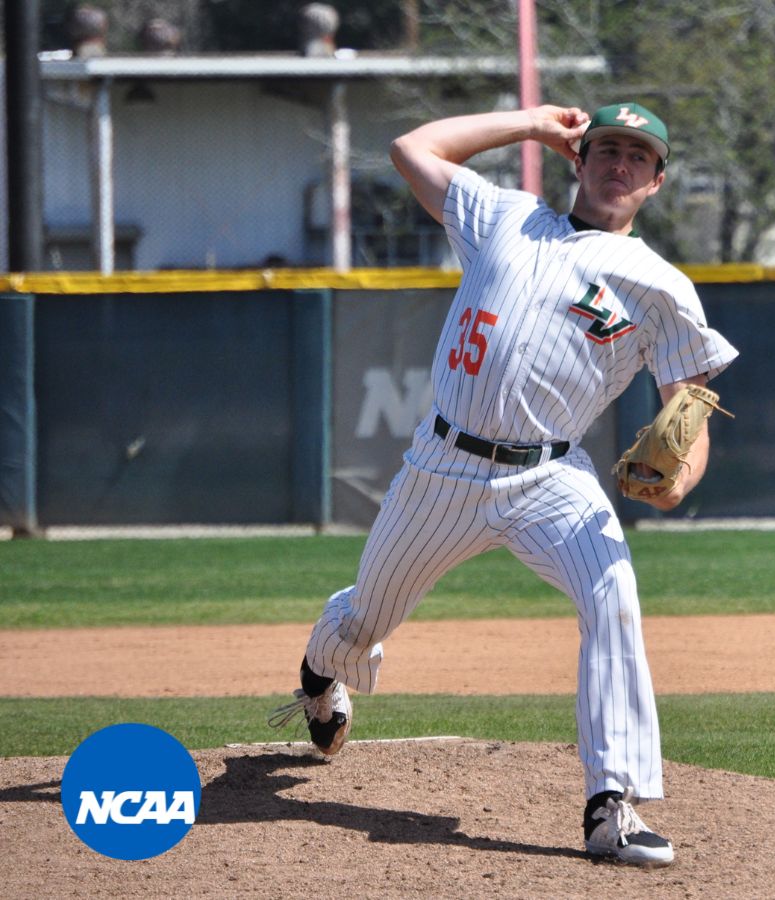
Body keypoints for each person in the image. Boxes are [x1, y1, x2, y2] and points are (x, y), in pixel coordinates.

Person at [268, 101, 738, 869]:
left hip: (552, 476)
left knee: (612, 596)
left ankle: (610, 805)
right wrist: (528, 122)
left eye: (638, 156)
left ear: (657, 180)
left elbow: (691, 412)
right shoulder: (505, 217)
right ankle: (322, 674)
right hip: (442, 469)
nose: (620, 164)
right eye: (606, 149)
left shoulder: (661, 286)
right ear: (578, 161)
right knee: (365, 620)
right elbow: (410, 146)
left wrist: (681, 476)